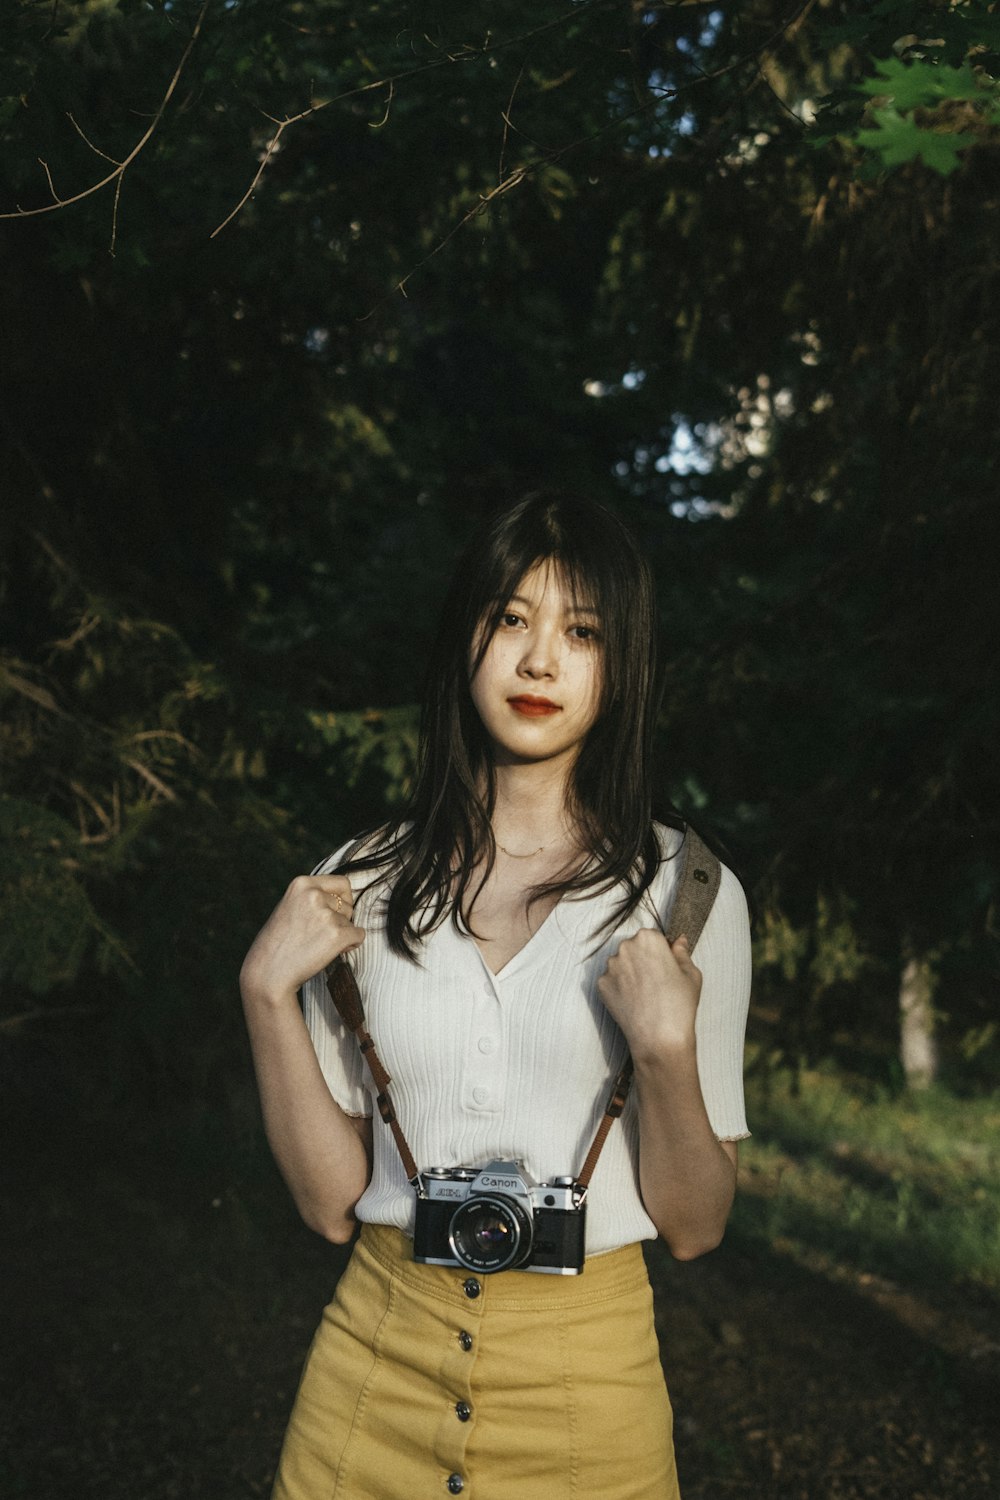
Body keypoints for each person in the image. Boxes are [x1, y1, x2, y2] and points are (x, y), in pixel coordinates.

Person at [240, 494, 752, 1500]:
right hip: (370, 1370)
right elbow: (329, 1206)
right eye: (510, 619)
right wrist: (264, 993)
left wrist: (662, 1053)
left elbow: (695, 1227)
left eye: (582, 631)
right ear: (464, 638)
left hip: (587, 1395)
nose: (539, 661)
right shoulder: (357, 884)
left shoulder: (685, 896)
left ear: (622, 663)